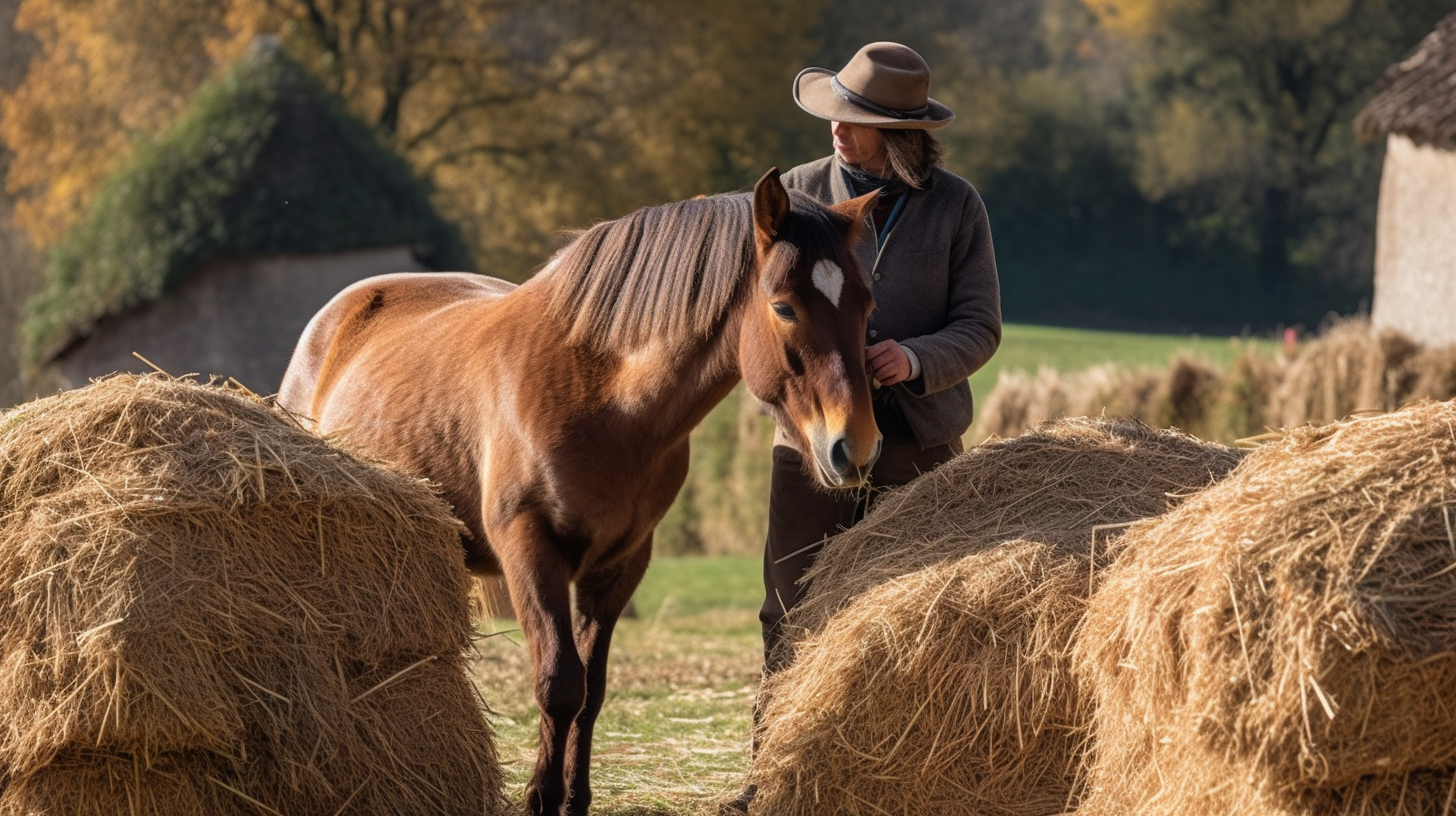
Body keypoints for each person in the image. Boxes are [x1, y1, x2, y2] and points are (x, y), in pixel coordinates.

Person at [728, 40, 1002, 814]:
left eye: (856, 121)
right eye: (836, 116)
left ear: (901, 134)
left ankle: (912, 783)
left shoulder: (957, 206)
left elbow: (981, 326)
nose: (837, 131)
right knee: (789, 608)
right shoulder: (792, 198)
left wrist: (912, 360)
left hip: (918, 444)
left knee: (919, 614)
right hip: (808, 445)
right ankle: (773, 778)